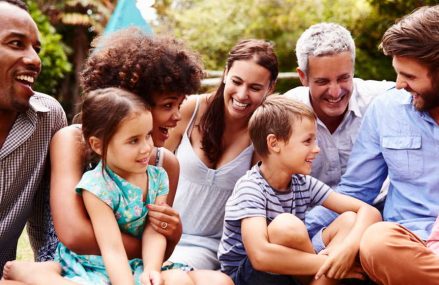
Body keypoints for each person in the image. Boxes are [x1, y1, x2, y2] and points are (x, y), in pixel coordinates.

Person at [4, 87, 198, 284]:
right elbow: (111, 247)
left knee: (179, 279)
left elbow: (153, 230)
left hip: (134, 260)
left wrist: (151, 269)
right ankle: (38, 275)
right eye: (133, 141)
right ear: (98, 145)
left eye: (148, 135)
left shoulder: (158, 177)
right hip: (94, 262)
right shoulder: (97, 187)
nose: (147, 147)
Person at [47, 28, 204, 267]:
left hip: (135, 268)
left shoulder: (165, 164)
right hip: (71, 265)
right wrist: (151, 246)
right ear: (132, 103)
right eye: (168, 105)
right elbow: (74, 234)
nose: (177, 116)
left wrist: (172, 234)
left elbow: (160, 251)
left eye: (180, 104)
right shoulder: (74, 141)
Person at [308, 5, 439, 285]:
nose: (400, 84)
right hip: (403, 244)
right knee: (376, 242)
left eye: (410, 76)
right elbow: (356, 190)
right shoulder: (386, 109)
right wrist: (303, 228)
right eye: (398, 73)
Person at [218, 96, 381, 285]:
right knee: (286, 226)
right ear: (274, 143)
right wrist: (331, 262)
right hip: (250, 276)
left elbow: (369, 211)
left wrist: (346, 251)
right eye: (307, 141)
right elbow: (260, 256)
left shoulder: (302, 182)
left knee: (349, 220)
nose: (317, 149)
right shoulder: (250, 188)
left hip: (295, 270)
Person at [165, 39, 278, 271]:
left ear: (270, 88)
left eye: (255, 88)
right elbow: (151, 170)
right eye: (237, 81)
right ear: (225, 73)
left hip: (210, 247)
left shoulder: (262, 136)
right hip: (161, 233)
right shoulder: (190, 109)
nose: (242, 94)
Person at [284, 22, 394, 191]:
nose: (335, 92)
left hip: (376, 208)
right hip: (310, 214)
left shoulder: (383, 100)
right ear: (303, 77)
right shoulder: (284, 114)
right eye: (322, 81)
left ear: (353, 69)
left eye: (344, 78)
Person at [0, 0, 67, 276]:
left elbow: (47, 228)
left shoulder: (47, 118)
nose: (35, 60)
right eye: (16, 43)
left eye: (35, 49)